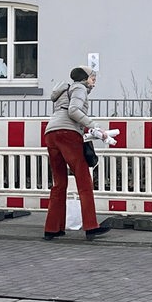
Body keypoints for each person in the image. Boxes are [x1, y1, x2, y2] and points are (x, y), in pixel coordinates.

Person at [43, 65, 112, 241]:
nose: (93, 84)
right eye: (93, 80)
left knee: (59, 183)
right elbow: (74, 111)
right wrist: (94, 125)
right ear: (85, 78)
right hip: (68, 134)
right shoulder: (79, 88)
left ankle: (52, 228)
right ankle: (91, 226)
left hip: (51, 133)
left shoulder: (64, 90)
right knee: (84, 181)